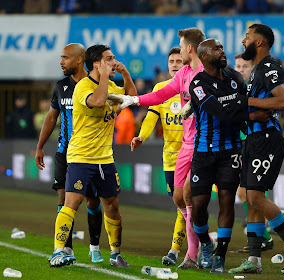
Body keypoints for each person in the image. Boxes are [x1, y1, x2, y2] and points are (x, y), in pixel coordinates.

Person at [110, 27, 206, 270]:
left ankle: (191, 252)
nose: (176, 61)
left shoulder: (207, 73)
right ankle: (207, 241)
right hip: (181, 148)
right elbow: (159, 97)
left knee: (192, 197)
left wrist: (195, 106)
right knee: (179, 198)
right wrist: (133, 100)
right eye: (171, 60)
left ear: (189, 49)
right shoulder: (182, 74)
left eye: (181, 51)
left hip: (205, 143)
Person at [228, 24, 284, 275]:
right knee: (250, 201)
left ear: (260, 42)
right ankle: (254, 259)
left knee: (254, 198)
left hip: (266, 140)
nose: (243, 40)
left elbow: (283, 102)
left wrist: (246, 101)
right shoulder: (256, 71)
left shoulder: (270, 67)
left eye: (247, 37)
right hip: (252, 141)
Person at [49, 44, 137, 268]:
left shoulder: (112, 84)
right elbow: (98, 101)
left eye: (114, 58)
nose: (114, 61)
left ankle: (115, 253)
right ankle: (59, 251)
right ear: (96, 63)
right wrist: (106, 77)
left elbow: (133, 99)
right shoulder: (83, 87)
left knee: (112, 206)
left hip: (105, 159)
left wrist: (125, 73)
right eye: (109, 58)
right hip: (81, 157)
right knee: (73, 202)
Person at [189, 39, 271, 273]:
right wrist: (249, 113)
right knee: (199, 205)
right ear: (204, 57)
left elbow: (241, 108)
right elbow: (221, 112)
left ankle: (221, 256)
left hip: (231, 152)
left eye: (222, 48)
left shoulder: (235, 77)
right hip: (204, 152)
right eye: (217, 49)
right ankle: (206, 242)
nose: (222, 52)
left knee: (227, 200)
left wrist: (246, 112)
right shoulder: (198, 83)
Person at [35, 44, 106, 263]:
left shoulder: (95, 85)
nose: (61, 62)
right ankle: (66, 250)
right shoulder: (60, 86)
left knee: (93, 202)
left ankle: (94, 246)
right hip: (65, 151)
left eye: (65, 58)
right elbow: (51, 117)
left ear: (78, 60)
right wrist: (40, 146)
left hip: (90, 152)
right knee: (64, 198)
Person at [130, 47, 186, 266]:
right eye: (171, 61)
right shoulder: (161, 89)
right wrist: (141, 137)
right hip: (170, 158)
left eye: (179, 60)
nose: (174, 64)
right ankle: (202, 240)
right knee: (180, 203)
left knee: (186, 202)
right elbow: (151, 117)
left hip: (192, 156)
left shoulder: (193, 87)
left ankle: (175, 250)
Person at [233, 53, 274, 254]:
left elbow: (269, 114)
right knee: (245, 194)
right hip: (243, 145)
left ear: (253, 69)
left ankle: (264, 237)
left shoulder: (259, 89)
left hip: (259, 144)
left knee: (253, 194)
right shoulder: (235, 89)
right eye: (237, 66)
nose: (240, 70)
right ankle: (260, 239)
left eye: (245, 66)